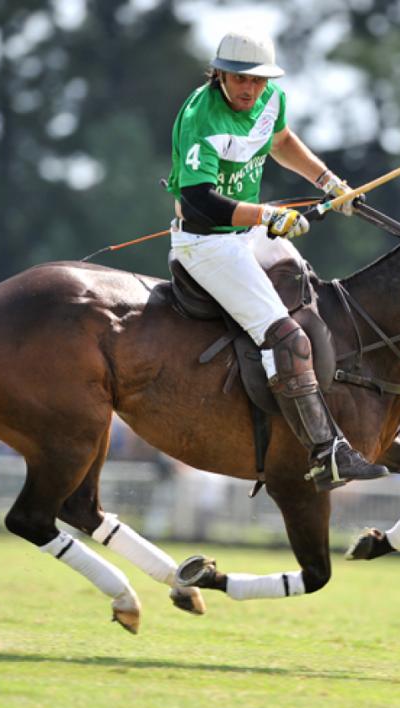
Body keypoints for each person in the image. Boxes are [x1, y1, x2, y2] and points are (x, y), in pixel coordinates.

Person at [164, 28, 387, 491]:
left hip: (249, 234)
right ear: (220, 76)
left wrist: (331, 183)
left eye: (258, 81)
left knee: (312, 295)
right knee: (284, 335)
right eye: (240, 80)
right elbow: (200, 198)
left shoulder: (272, 100)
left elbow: (281, 142)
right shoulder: (200, 117)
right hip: (207, 244)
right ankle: (325, 453)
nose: (250, 90)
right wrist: (269, 215)